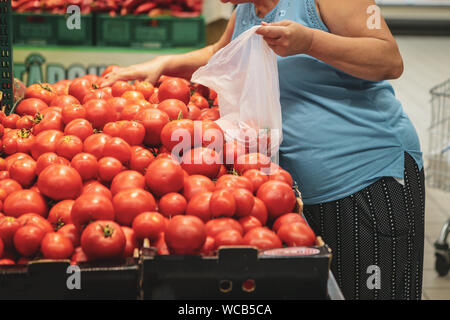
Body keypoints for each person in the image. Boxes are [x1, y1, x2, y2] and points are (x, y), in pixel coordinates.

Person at [102, 0, 425, 300]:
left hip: (365, 179)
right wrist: (165, 63)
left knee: (372, 291)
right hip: (295, 188)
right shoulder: (247, 8)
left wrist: (311, 42)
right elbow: (221, 52)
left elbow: (388, 60)